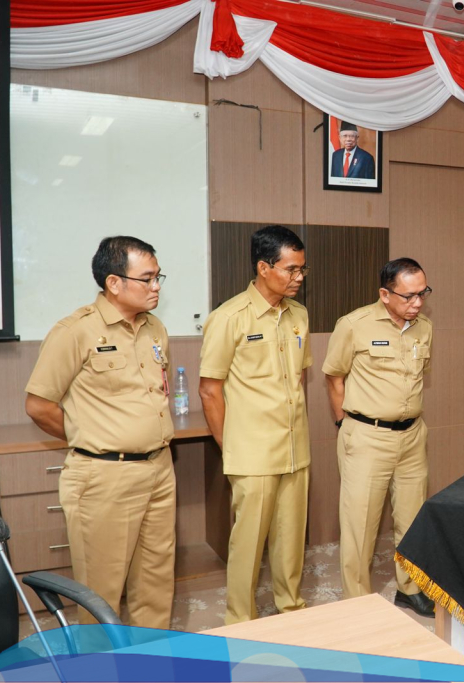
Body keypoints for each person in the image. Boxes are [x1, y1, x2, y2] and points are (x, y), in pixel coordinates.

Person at [24, 236, 175, 628]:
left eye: (159, 277)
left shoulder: (154, 327)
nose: (156, 286)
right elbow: (39, 406)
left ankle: (152, 660)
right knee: (101, 592)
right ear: (114, 282)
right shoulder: (76, 331)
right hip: (105, 476)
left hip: (159, 468)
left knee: (156, 582)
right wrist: (89, 437)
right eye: (147, 278)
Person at [199, 225, 312, 625]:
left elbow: (298, 379)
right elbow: (210, 390)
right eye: (291, 269)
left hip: (295, 448)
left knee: (290, 543)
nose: (299, 277)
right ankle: (241, 621)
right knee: (247, 545)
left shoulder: (298, 314)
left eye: (302, 269)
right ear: (264, 268)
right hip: (252, 451)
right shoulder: (228, 317)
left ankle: (290, 611)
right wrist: (229, 446)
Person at [322, 258, 435, 616]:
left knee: (412, 517)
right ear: (384, 294)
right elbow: (334, 377)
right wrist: (346, 424)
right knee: (360, 524)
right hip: (367, 436)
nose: (417, 303)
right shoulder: (354, 325)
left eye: (423, 293)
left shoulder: (424, 328)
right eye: (409, 296)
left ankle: (410, 588)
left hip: (413, 436)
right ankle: (357, 601)